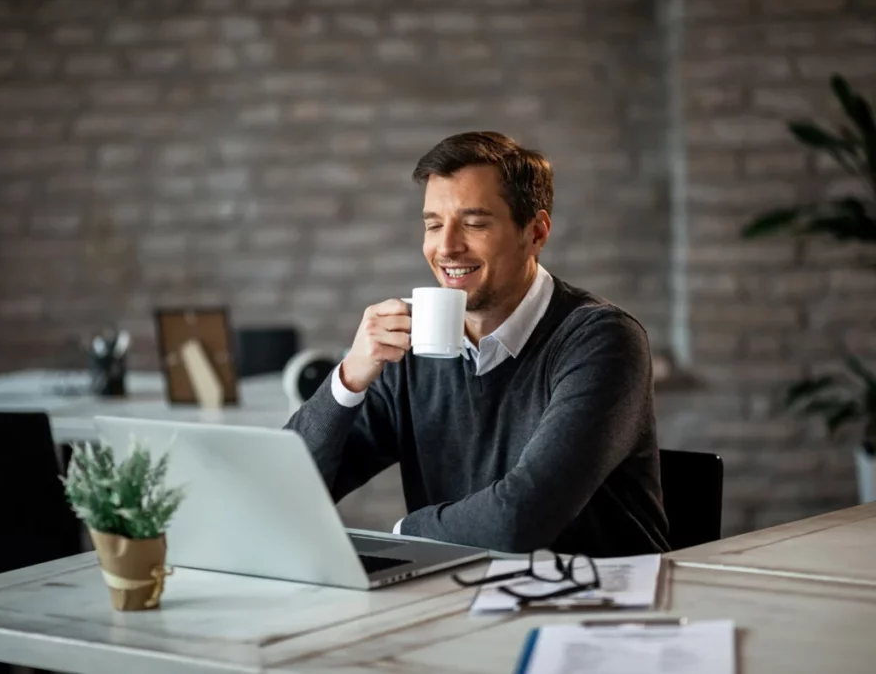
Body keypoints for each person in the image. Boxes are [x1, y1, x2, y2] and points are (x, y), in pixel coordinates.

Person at [284, 131, 669, 557]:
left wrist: (404, 533)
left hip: (597, 606)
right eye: (433, 224)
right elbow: (283, 491)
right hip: (462, 593)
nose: (446, 246)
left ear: (536, 233)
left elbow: (520, 519)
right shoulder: (410, 345)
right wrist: (350, 377)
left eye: (474, 223)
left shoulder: (602, 340)